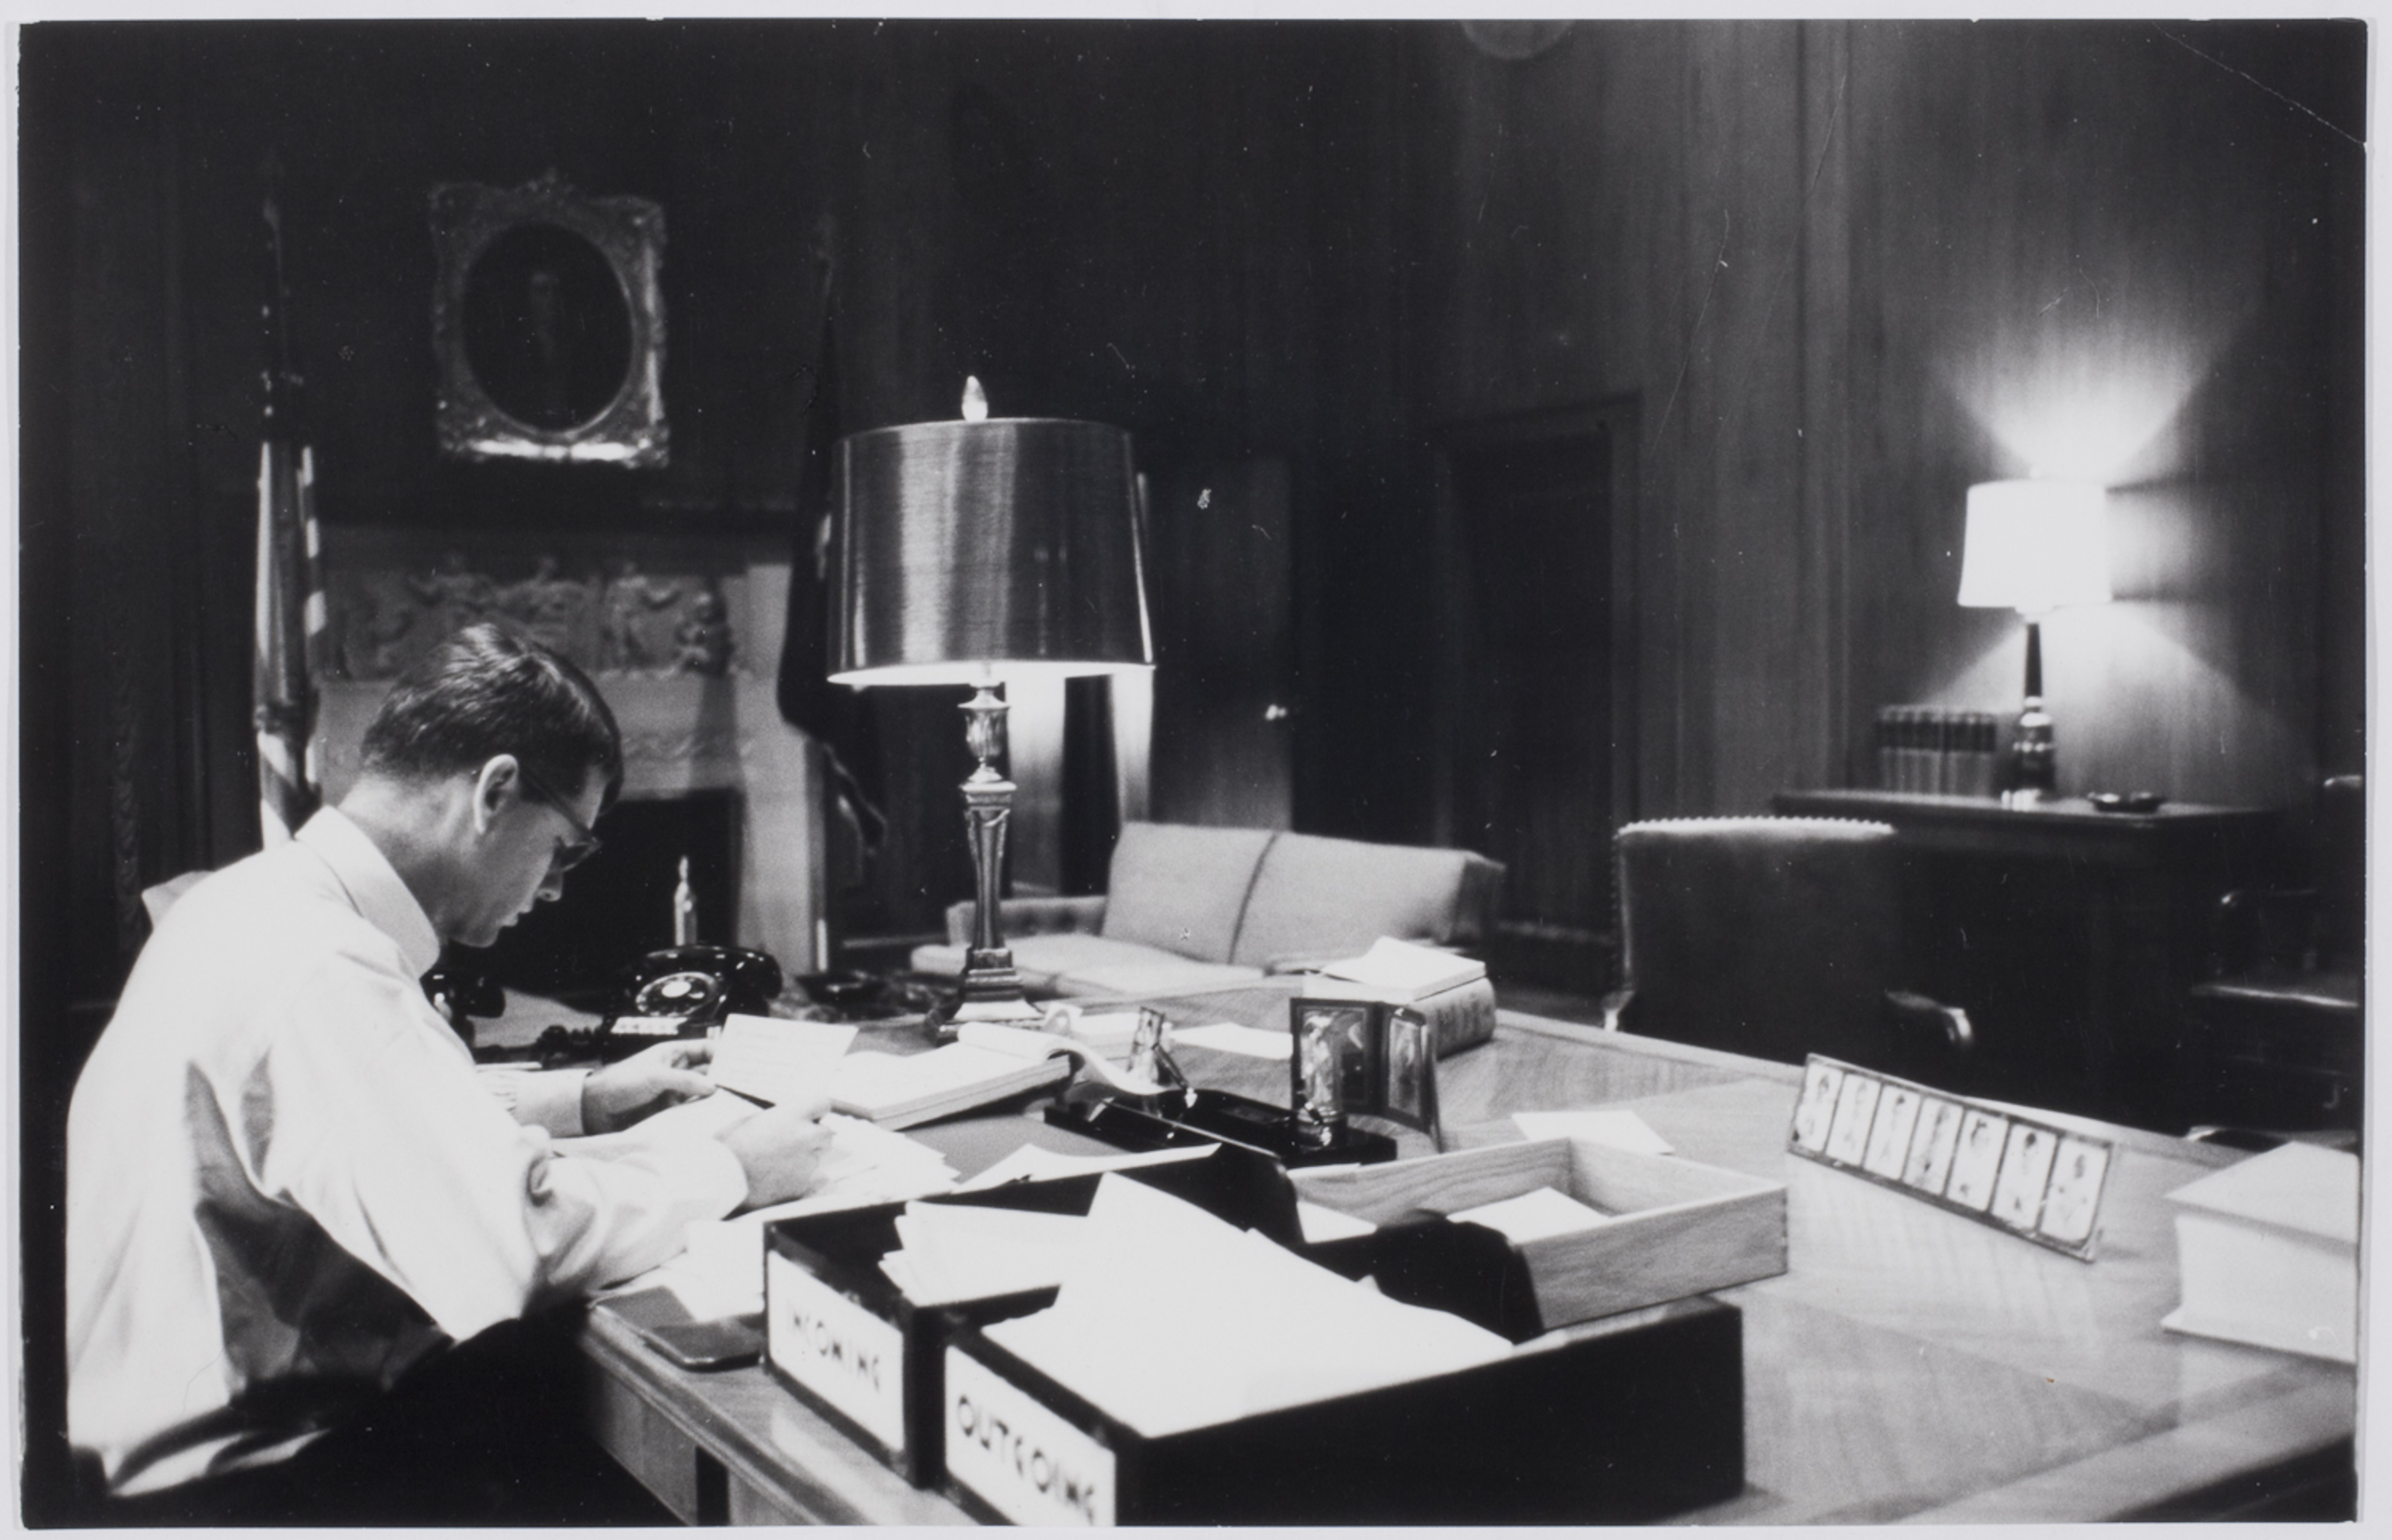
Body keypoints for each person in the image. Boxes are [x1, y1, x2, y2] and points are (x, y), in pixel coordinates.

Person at [65, 623, 829, 1523]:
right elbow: (515, 1248)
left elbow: (354, 1116)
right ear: (495, 792)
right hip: (245, 1492)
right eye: (566, 848)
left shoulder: (255, 904)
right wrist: (735, 1167)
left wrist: (582, 1101)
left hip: (179, 1443)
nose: (557, 889)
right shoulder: (322, 966)